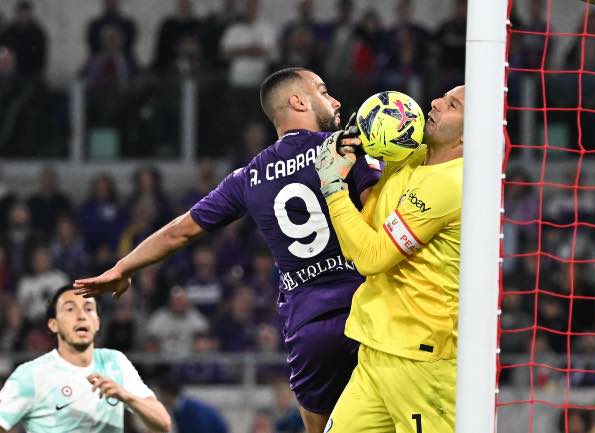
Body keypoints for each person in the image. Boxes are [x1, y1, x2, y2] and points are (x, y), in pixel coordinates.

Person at [73, 67, 381, 433]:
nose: (336, 100)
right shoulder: (345, 147)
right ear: (298, 100)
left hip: (309, 326)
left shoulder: (250, 176)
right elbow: (380, 216)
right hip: (367, 308)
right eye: (324, 90)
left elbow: (180, 232)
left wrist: (123, 267)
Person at [314, 85, 465, 432]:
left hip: (422, 361)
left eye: (453, 104)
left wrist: (333, 188)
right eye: (443, 96)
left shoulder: (451, 184)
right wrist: (358, 148)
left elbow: (371, 257)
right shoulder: (412, 157)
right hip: (376, 348)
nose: (436, 102)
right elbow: (362, 236)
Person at [0, 285, 171, 432]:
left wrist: (125, 395)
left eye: (88, 309)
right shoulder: (31, 374)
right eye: (70, 309)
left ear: (97, 323)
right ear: (54, 325)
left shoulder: (115, 362)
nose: (81, 316)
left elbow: (163, 423)